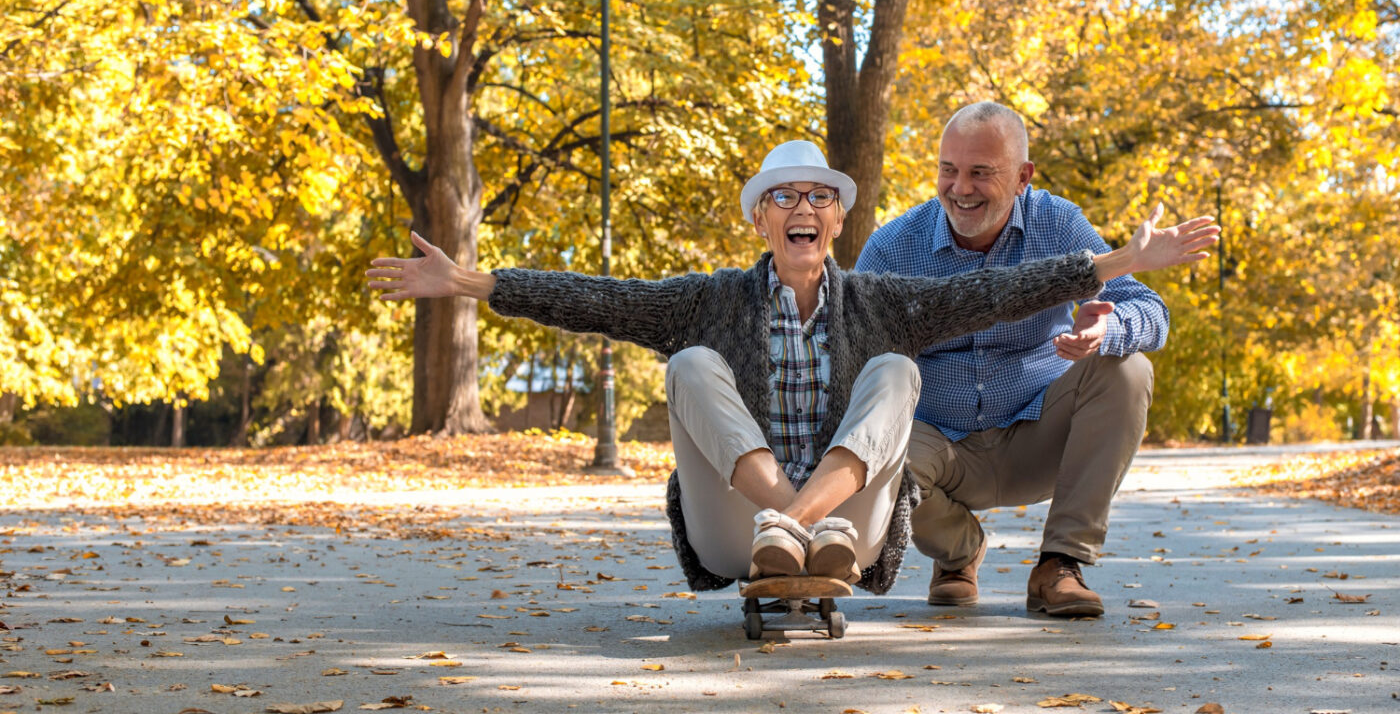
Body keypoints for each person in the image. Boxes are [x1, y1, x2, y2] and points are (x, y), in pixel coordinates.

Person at [368, 139, 1217, 595]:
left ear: (838, 222)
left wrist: (1110, 263)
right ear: (759, 223)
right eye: (783, 197)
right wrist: (471, 282)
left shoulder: (884, 300)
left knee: (894, 371)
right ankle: (789, 520)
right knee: (693, 363)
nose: (801, 208)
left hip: (853, 531)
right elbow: (597, 298)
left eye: (818, 197)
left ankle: (812, 525)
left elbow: (1003, 290)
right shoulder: (709, 300)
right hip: (739, 525)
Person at [855, 101, 1189, 617]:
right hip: (938, 445)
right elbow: (853, 358)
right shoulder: (894, 247)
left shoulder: (1057, 224)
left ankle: (1060, 564)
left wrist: (1107, 329)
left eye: (981, 173)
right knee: (866, 447)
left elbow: (1152, 311)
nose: (960, 188)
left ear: (1022, 177)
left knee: (1129, 367)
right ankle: (959, 551)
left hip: (1039, 434)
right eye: (949, 170)